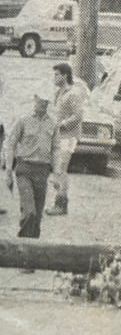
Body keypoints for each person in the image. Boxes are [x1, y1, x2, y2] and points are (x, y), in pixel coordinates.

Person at [7, 96, 58, 239]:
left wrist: (57, 174)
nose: (43, 103)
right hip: (25, 170)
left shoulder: (53, 124)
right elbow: (10, 145)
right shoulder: (23, 120)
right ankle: (23, 246)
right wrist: (8, 171)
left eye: (46, 100)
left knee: (37, 219)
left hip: (42, 172)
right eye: (40, 99)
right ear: (35, 99)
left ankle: (30, 247)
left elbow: (56, 149)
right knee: (29, 212)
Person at [46, 62, 87, 216]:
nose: (54, 78)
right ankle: (60, 201)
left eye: (57, 75)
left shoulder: (73, 93)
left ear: (65, 75)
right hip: (58, 137)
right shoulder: (59, 93)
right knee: (57, 170)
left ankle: (61, 205)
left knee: (61, 169)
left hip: (68, 137)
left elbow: (78, 116)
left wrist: (62, 125)